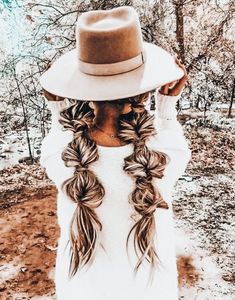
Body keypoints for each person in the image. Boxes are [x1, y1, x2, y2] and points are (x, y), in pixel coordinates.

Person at [39, 6, 191, 300]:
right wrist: (166, 105)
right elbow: (168, 129)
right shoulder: (166, 152)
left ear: (84, 88)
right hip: (151, 292)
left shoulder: (61, 154)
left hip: (81, 291)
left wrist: (58, 107)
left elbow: (60, 129)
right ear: (144, 91)